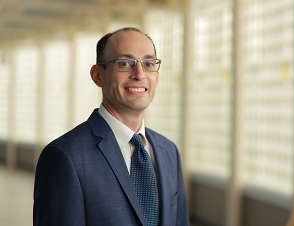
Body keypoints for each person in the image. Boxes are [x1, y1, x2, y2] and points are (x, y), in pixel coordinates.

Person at [33, 27, 190, 226]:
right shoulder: (65, 156)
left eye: (148, 64)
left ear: (157, 76)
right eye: (125, 63)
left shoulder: (169, 151)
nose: (139, 74)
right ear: (98, 75)